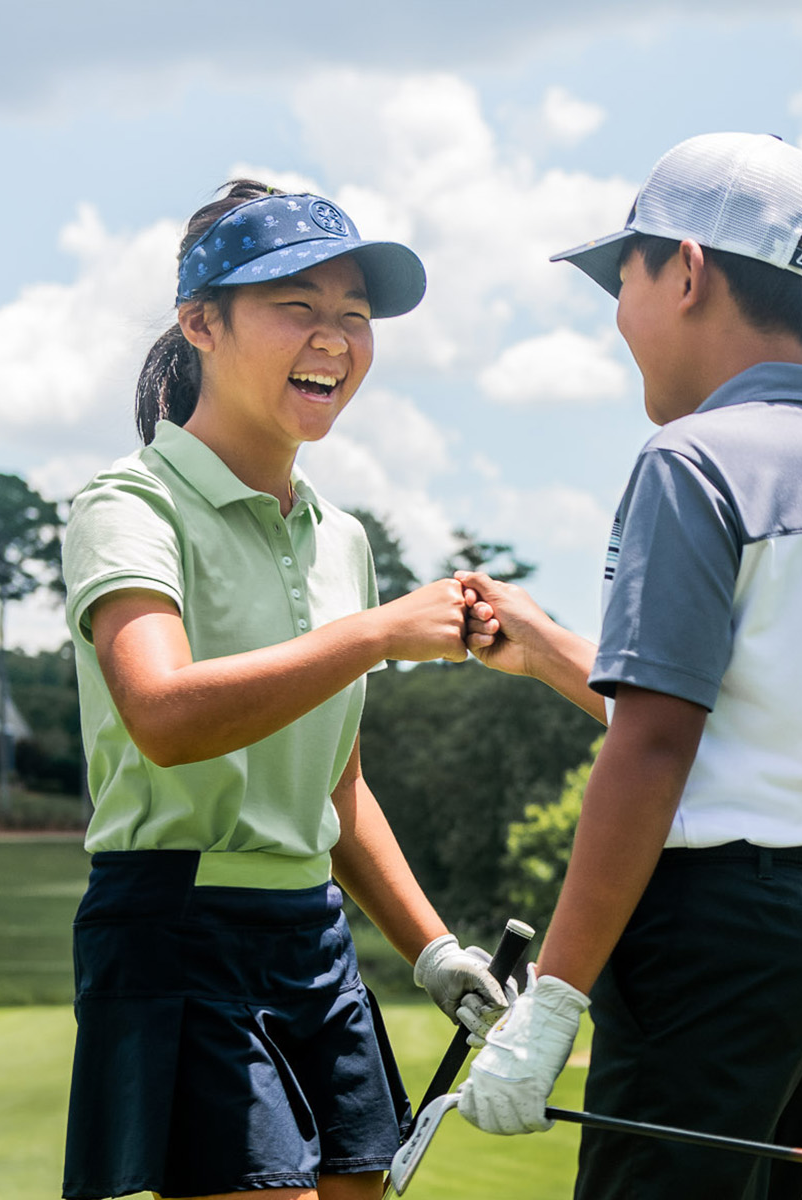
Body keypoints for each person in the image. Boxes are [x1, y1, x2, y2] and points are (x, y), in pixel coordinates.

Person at [454, 133, 802, 1200]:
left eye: (624, 279)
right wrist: (553, 651)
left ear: (689, 272)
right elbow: (750, 720)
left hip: (711, 936)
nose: (619, 314)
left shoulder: (692, 458)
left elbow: (658, 745)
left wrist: (553, 1001)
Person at [59, 179, 510, 1200]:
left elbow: (334, 787)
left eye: (354, 313)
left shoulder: (340, 538)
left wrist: (434, 952)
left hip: (313, 934)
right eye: (296, 306)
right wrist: (375, 634)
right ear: (200, 323)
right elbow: (164, 715)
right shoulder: (129, 504)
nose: (334, 338)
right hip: (177, 922)